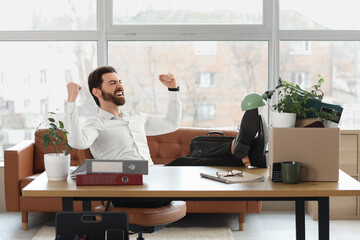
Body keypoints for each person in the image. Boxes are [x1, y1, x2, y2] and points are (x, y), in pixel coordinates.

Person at [65, 66, 264, 207]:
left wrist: (172, 90)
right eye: (112, 83)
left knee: (193, 165)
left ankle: (246, 153)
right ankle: (234, 148)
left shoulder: (135, 117)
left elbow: (171, 124)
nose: (120, 86)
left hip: (153, 182)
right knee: (183, 164)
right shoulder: (96, 123)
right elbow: (77, 142)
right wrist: (71, 101)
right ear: (97, 92)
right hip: (125, 191)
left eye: (120, 82)